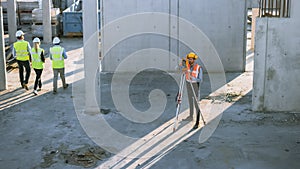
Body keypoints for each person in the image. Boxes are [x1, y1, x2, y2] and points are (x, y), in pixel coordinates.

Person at [183, 52, 203, 129]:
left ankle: (197, 122)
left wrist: (193, 78)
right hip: (188, 84)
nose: (189, 60)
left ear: (194, 60)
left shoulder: (199, 68)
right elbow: (178, 69)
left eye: (191, 59)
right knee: (190, 101)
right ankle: (190, 116)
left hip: (195, 85)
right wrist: (181, 65)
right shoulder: (187, 66)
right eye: (188, 59)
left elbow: (200, 79)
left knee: (196, 103)